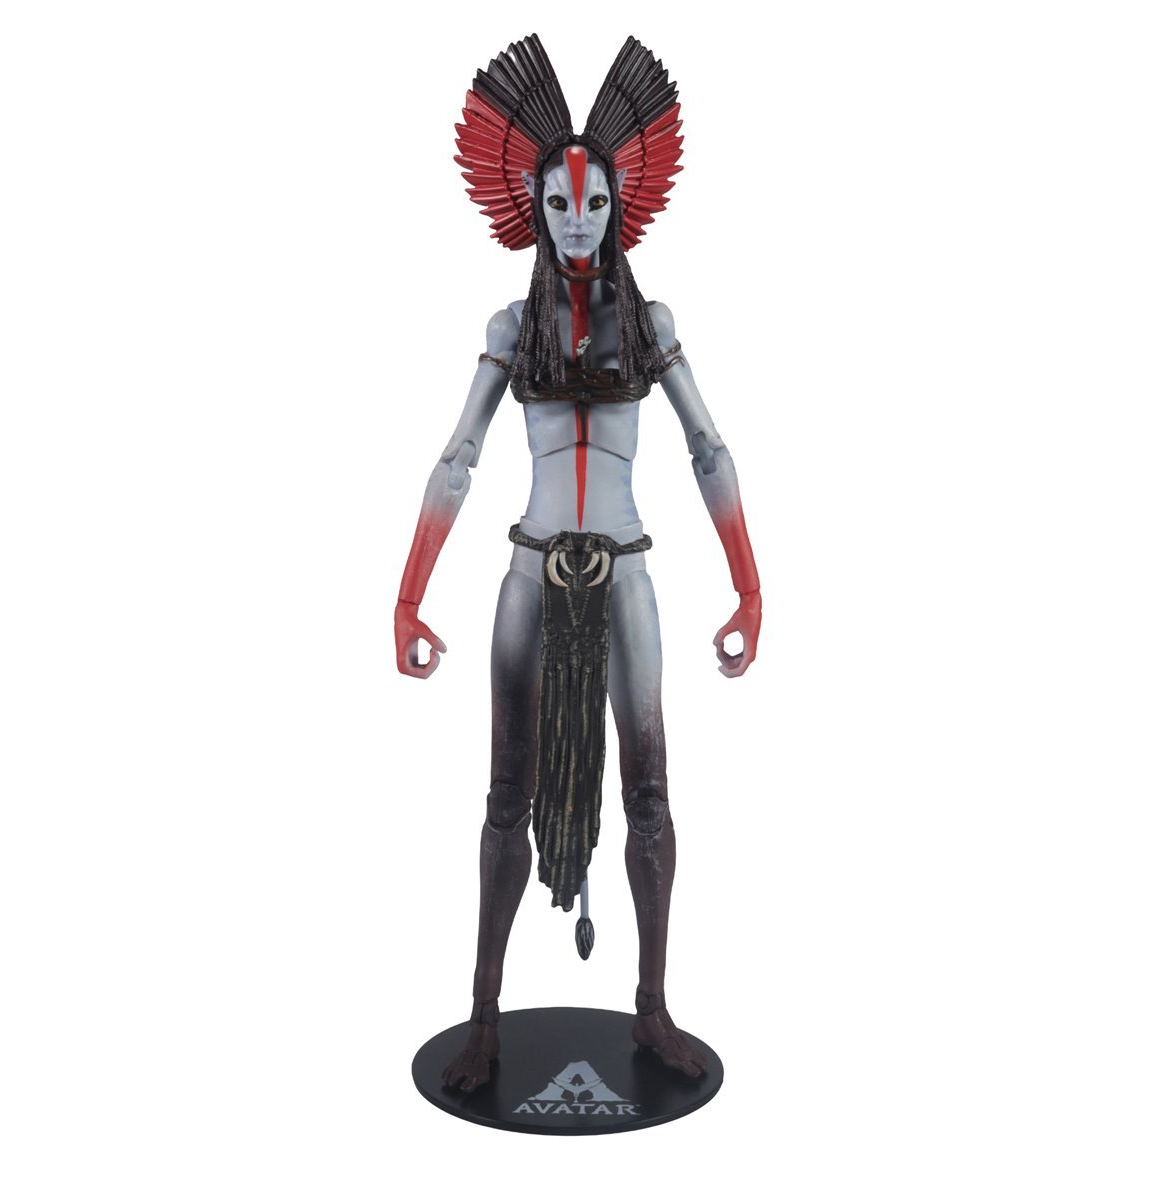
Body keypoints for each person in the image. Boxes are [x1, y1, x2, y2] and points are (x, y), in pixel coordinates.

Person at [395, 36, 761, 1094]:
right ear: (535, 204)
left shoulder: (651, 325)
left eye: (592, 203)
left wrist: (749, 583)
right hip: (529, 574)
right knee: (504, 796)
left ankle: (651, 1008)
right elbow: (458, 458)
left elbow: (709, 448)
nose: (576, 221)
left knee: (652, 794)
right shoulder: (512, 329)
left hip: (630, 574)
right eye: (559, 204)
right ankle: (482, 1017)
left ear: (616, 205)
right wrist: (409, 594)